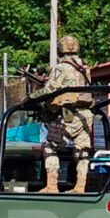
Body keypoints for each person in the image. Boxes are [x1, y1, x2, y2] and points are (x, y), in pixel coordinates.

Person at [31, 35, 93, 193]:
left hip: (68, 115)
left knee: (49, 147)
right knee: (82, 151)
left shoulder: (62, 68)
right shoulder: (84, 68)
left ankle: (52, 185)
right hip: (86, 115)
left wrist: (30, 98)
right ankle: (80, 186)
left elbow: (49, 90)